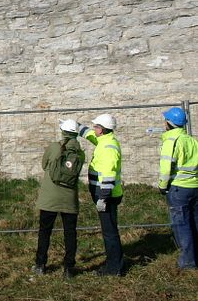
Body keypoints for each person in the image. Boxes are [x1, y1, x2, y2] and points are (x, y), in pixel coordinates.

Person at [33, 119, 85, 278]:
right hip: (69, 199)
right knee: (70, 233)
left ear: (63, 132)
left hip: (49, 197)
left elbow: (44, 165)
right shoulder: (80, 154)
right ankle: (69, 268)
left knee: (45, 231)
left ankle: (40, 264)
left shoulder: (54, 147)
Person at [78, 114, 124, 276]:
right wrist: (78, 127)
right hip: (104, 193)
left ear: (102, 130)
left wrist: (103, 198)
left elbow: (109, 174)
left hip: (107, 195)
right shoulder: (105, 140)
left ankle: (113, 268)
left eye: (96, 126)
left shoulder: (108, 148)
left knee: (109, 231)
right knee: (109, 229)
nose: (94, 129)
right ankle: (116, 262)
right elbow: (91, 135)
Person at [157, 107, 198, 270]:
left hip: (179, 189)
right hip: (195, 186)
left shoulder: (171, 141)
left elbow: (166, 168)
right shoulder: (192, 140)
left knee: (182, 226)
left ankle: (188, 263)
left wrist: (162, 186)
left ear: (169, 123)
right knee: (195, 223)